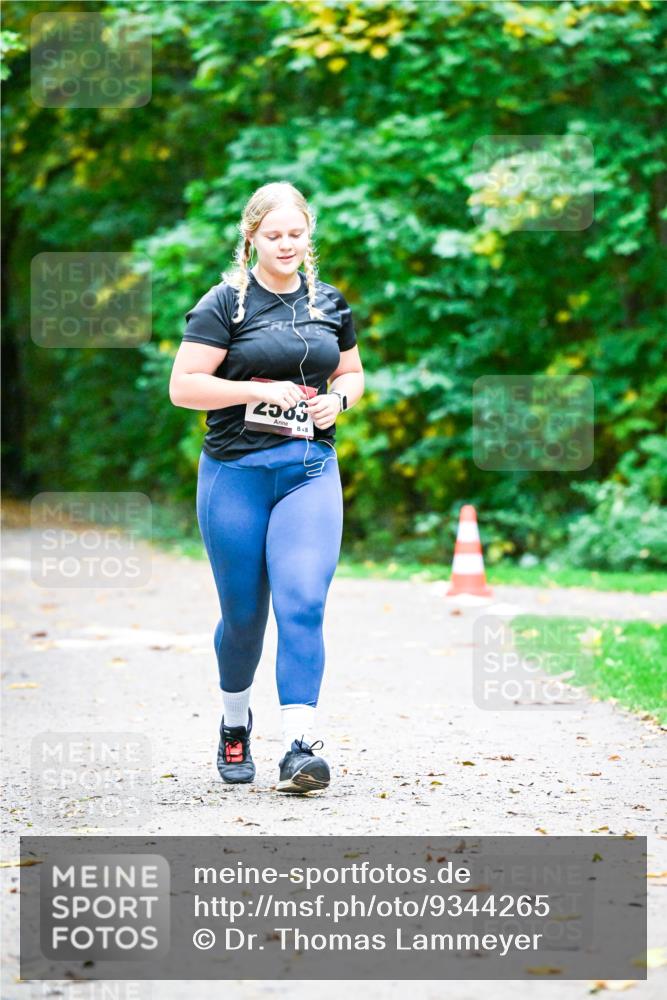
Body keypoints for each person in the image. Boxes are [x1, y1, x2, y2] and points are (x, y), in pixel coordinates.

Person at [169, 181, 364, 793]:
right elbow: (184, 387)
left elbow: (352, 371)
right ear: (251, 236)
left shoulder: (330, 303)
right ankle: (234, 724)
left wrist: (339, 400)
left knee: (303, 602)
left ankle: (301, 747)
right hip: (235, 474)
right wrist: (256, 389)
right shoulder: (225, 303)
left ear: (310, 237)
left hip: (308, 468)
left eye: (296, 234)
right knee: (244, 616)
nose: (286, 244)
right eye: (273, 235)